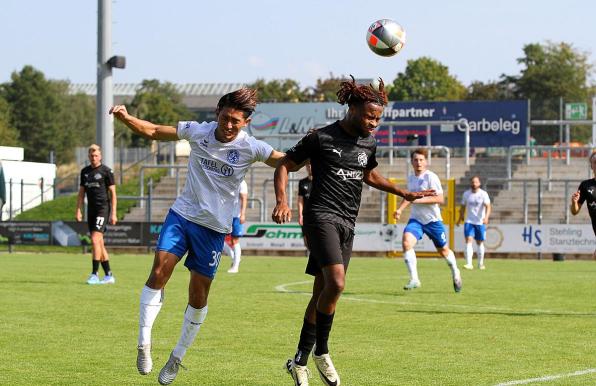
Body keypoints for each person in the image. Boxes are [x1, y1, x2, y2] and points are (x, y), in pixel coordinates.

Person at [110, 87, 284, 385]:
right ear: (217, 113)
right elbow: (153, 131)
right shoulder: (196, 131)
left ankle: (177, 357)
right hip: (182, 216)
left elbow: (285, 161)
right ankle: (143, 343)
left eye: (236, 121)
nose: (229, 125)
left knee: (198, 295)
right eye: (225, 118)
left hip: (214, 230)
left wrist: (317, 153)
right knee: (158, 272)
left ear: (246, 122)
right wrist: (125, 118)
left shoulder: (252, 147)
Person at [272, 76, 434, 386]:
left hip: (348, 223)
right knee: (337, 282)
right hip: (320, 218)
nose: (374, 122)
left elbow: (370, 175)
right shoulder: (321, 138)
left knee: (322, 291)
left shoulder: (368, 143)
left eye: (378, 118)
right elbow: (284, 165)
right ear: (353, 109)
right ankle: (322, 351)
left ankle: (299, 361)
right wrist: (282, 201)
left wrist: (404, 193)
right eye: (370, 116)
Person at [394, 149, 462, 292]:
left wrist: (418, 200)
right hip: (416, 220)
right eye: (415, 160)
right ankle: (414, 279)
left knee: (443, 251)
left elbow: (439, 199)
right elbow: (409, 197)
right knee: (406, 243)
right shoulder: (411, 178)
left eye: (421, 160)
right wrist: (400, 210)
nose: (418, 162)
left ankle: (456, 271)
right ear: (411, 162)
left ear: (426, 162)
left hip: (433, 221)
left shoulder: (431, 177)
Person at [75, 144, 117, 285]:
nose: (94, 157)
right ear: (88, 156)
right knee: (99, 243)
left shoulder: (106, 171)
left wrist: (113, 213)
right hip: (91, 210)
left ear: (100, 156)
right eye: (91, 155)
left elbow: (113, 194)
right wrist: (78, 209)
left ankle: (94, 274)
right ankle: (109, 275)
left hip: (102, 209)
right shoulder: (85, 172)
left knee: (94, 239)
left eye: (96, 155)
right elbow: (81, 193)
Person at [457, 176, 491, 270]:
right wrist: (460, 218)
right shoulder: (466, 194)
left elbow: (488, 206)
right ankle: (469, 264)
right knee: (468, 240)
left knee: (479, 242)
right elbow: (463, 207)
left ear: (479, 183)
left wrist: (486, 217)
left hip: (480, 222)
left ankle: (480, 263)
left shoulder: (483, 194)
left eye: (476, 182)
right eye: (472, 182)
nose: (474, 184)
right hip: (469, 221)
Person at [570, 151, 596, 241]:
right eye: (595, 162)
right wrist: (574, 202)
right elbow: (574, 211)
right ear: (591, 166)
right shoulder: (585, 185)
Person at [226, 179, 248, 273]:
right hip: (226, 215)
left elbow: (244, 199)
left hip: (236, 216)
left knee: (235, 240)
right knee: (223, 239)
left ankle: (235, 266)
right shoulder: (229, 180)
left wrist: (242, 214)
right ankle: (235, 258)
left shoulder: (242, 183)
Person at [297, 160, 313, 253]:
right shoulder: (302, 182)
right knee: (306, 239)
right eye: (308, 165)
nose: (310, 167)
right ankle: (310, 253)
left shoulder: (321, 182)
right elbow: (300, 200)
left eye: (311, 165)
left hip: (317, 214)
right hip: (306, 215)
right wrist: (300, 215)